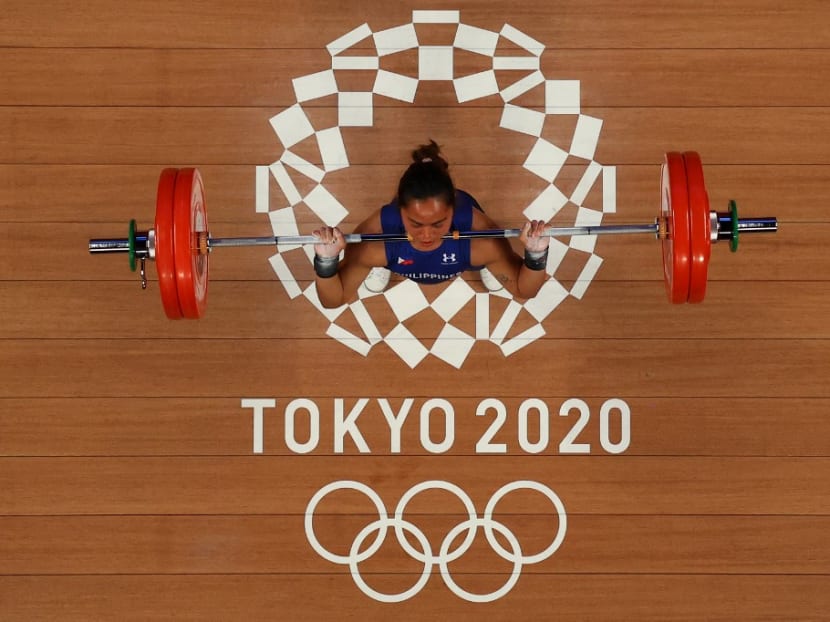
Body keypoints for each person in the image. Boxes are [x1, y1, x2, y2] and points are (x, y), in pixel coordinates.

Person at [312, 140, 550, 309]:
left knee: (486, 259)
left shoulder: (481, 241)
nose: (427, 234)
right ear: (401, 211)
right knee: (377, 258)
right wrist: (326, 260)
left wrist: (535, 254)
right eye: (415, 223)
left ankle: (485, 266)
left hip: (466, 252)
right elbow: (334, 301)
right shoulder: (375, 242)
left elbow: (522, 290)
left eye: (438, 223)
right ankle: (383, 266)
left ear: (453, 210)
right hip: (390, 253)